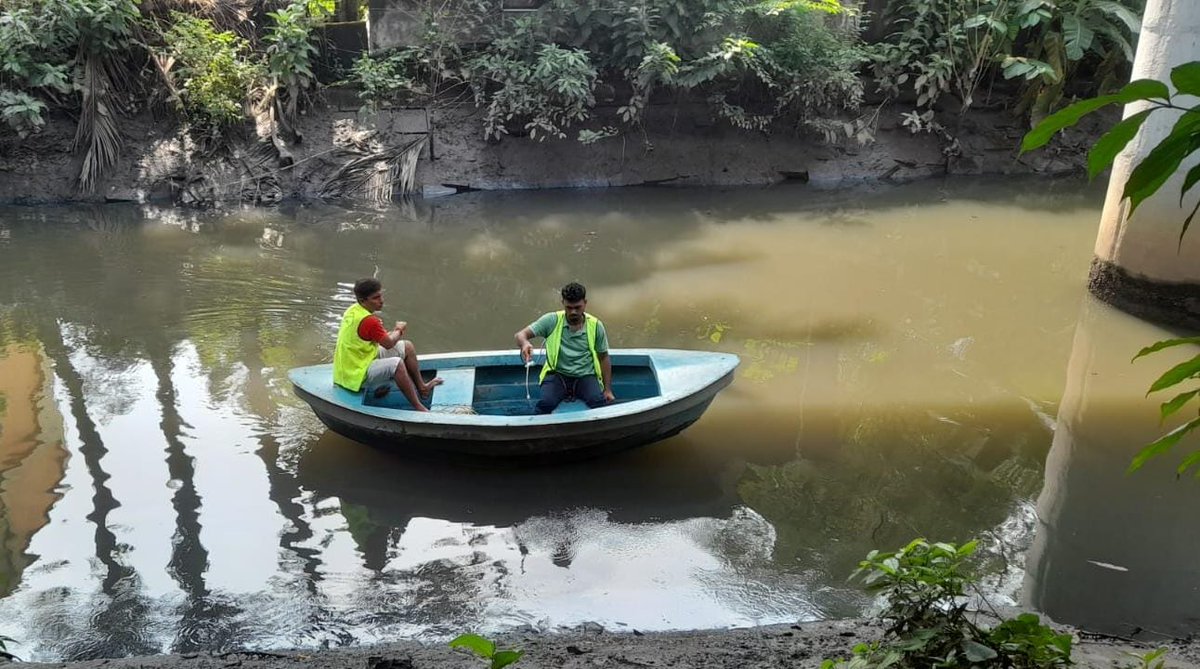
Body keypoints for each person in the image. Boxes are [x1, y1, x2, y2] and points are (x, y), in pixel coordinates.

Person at [333, 277, 442, 411]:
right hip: (355, 373)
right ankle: (419, 406)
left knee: (407, 346)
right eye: (375, 298)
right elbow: (389, 343)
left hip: (358, 359)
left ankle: (422, 388)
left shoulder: (353, 310)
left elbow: (372, 338)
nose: (381, 301)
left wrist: (390, 333)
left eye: (381, 295)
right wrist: (399, 329)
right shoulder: (370, 321)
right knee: (397, 364)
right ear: (363, 300)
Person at [515, 281, 614, 414]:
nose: (573, 312)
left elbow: (603, 357)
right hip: (557, 374)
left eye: (577, 307)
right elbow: (520, 335)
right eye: (569, 307)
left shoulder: (596, 326)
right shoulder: (551, 320)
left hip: (585, 375)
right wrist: (525, 343)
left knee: (598, 402)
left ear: (585, 303)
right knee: (546, 404)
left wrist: (607, 390)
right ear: (563, 303)